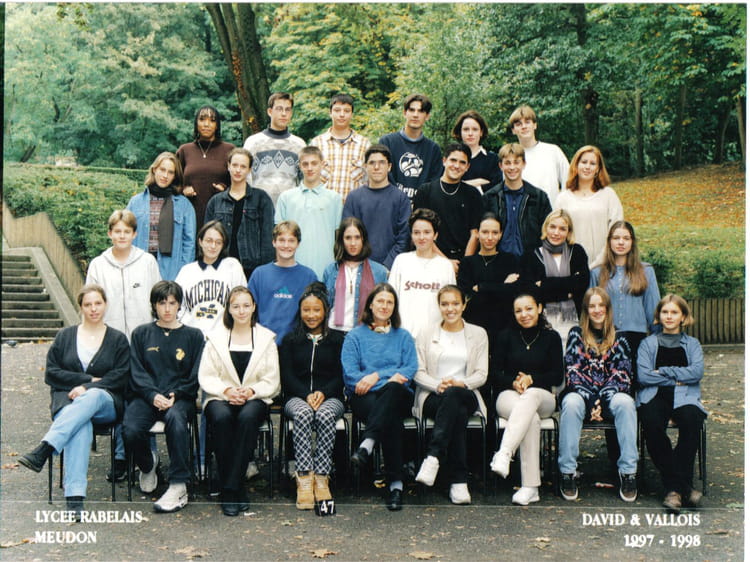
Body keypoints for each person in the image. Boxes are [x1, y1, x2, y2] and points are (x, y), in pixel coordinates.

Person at [18, 284, 129, 519]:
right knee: (81, 425)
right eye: (88, 304)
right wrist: (86, 379)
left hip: (105, 403)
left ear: (105, 305)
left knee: (94, 395)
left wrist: (87, 388)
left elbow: (120, 376)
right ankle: (75, 498)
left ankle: (46, 447)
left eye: (98, 303)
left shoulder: (118, 339)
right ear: (80, 307)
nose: (93, 309)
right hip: (68, 404)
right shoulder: (65, 336)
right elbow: (51, 373)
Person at [86, 209, 161, 482]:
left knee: (143, 395)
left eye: (126, 232)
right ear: (110, 233)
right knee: (118, 395)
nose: (121, 236)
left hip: (143, 341)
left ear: (134, 234)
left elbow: (157, 299)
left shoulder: (147, 261)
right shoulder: (98, 264)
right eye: (117, 231)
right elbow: (90, 302)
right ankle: (120, 457)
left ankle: (148, 457)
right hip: (112, 342)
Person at [123, 281, 204, 513]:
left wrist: (177, 394)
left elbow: (196, 374)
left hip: (180, 398)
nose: (167, 309)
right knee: (130, 429)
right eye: (162, 303)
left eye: (172, 303)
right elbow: (136, 372)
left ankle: (178, 484)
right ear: (154, 305)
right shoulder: (141, 334)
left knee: (176, 421)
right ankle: (148, 465)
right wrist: (152, 395)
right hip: (147, 397)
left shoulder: (194, 336)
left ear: (179, 305)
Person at [198, 286, 280, 516]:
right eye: (236, 306)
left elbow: (272, 379)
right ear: (229, 309)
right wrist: (226, 390)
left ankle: (230, 488)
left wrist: (251, 391)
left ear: (254, 307)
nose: (241, 311)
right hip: (220, 396)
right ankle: (235, 487)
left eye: (246, 305)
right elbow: (206, 375)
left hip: (254, 397)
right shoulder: (215, 338)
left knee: (247, 417)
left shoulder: (266, 339)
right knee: (221, 417)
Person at [558, 287, 638, 503]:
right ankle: (567, 472)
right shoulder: (576, 335)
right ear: (586, 309)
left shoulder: (620, 338)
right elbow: (573, 372)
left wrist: (601, 401)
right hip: (582, 396)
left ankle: (628, 473)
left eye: (601, 305)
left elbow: (622, 375)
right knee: (571, 403)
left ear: (608, 308)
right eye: (592, 306)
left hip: (611, 397)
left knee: (626, 403)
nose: (597, 310)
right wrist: (592, 401)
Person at [343, 283, 418, 511]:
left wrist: (376, 376)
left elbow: (409, 369)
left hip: (398, 395)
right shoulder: (354, 336)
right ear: (370, 304)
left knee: (394, 391)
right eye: (380, 301)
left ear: (394, 307)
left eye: (390, 302)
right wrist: (386, 378)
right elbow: (350, 375)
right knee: (390, 415)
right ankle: (396, 486)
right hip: (364, 397)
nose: (384, 306)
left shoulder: (403, 336)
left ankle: (368, 443)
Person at [413, 285, 488, 505]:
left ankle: (433, 457)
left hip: (467, 391)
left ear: (464, 305)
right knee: (458, 411)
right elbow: (418, 372)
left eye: (455, 303)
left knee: (456, 396)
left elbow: (481, 374)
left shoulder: (478, 333)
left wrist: (460, 383)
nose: (450, 309)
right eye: (444, 304)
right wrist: (438, 385)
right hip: (433, 394)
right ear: (439, 306)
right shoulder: (426, 333)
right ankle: (459, 482)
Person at [489, 292, 563, 505]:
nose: (524, 314)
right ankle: (531, 487)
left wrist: (532, 379)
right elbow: (494, 374)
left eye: (529, 308)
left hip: (542, 397)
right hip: (510, 396)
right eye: (518, 311)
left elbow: (557, 375)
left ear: (539, 308)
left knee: (531, 395)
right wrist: (514, 382)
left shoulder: (552, 337)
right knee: (530, 419)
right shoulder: (505, 336)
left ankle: (505, 452)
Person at [637, 294, 706, 514]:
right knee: (651, 423)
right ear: (658, 316)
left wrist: (663, 371)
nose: (669, 316)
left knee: (692, 420)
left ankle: (674, 490)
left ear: (683, 317)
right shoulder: (648, 343)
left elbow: (696, 373)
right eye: (665, 312)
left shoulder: (692, 344)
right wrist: (676, 377)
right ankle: (682, 488)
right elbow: (644, 376)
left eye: (674, 312)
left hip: (685, 395)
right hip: (654, 394)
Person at [280, 282, 345, 510]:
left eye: (316, 310)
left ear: (325, 311)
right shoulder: (290, 340)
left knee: (326, 415)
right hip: (297, 397)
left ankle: (322, 477)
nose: (311, 315)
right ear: (300, 312)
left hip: (331, 397)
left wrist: (323, 393)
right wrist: (306, 394)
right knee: (303, 413)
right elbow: (287, 375)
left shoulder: (338, 340)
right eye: (306, 310)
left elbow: (341, 375)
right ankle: (304, 478)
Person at [591, 221, 660, 365]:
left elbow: (653, 309)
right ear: (609, 241)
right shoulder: (597, 273)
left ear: (632, 242)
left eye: (626, 238)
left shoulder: (646, 271)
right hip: (606, 339)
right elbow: (589, 310)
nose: (621, 242)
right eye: (616, 238)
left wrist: (657, 341)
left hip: (637, 339)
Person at [205, 147, 275, 279]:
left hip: (252, 269)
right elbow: (207, 239)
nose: (238, 170)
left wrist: (266, 271)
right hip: (221, 267)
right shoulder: (215, 202)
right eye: (235, 165)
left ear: (249, 170)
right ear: (228, 166)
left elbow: (268, 239)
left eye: (243, 166)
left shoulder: (261, 199)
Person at [413, 143, 484, 272]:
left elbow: (475, 234)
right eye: (453, 160)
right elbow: (421, 232)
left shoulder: (473, 194)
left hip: (464, 263)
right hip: (431, 260)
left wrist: (465, 265)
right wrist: (446, 263)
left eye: (462, 162)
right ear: (444, 161)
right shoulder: (425, 191)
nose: (456, 166)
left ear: (467, 167)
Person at [388, 208, 456, 341]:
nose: (421, 237)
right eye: (416, 232)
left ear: (435, 235)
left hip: (435, 339)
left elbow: (451, 305)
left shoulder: (445, 266)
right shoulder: (401, 261)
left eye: (427, 232)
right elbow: (391, 299)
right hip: (403, 338)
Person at [275, 146, 343, 278]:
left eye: (314, 163)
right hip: (293, 268)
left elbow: (338, 237)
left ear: (322, 165)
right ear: (300, 166)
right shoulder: (286, 197)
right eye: (305, 164)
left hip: (325, 268)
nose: (310, 168)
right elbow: (278, 238)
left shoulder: (334, 198)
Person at [126, 152, 196, 281]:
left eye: (170, 172)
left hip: (171, 271)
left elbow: (189, 243)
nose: (165, 176)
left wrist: (183, 272)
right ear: (154, 170)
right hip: (139, 268)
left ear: (175, 176)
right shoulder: (135, 202)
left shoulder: (184, 206)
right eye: (162, 170)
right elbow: (126, 235)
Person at [521, 209, 589, 341]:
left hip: (575, 322)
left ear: (569, 232)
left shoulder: (577, 252)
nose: (556, 233)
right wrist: (567, 293)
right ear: (545, 228)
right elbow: (531, 291)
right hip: (541, 323)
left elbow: (582, 283)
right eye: (552, 227)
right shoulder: (531, 255)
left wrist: (545, 283)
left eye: (562, 229)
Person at [248, 221, 318, 345]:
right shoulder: (259, 274)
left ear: (298, 244)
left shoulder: (309, 276)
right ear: (273, 242)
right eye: (281, 240)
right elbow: (249, 312)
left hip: (296, 346)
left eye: (291, 241)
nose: (286, 245)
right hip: (263, 344)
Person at [341, 145, 411, 269]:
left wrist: (386, 266)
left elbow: (404, 238)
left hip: (390, 268)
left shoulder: (401, 199)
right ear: (365, 166)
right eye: (372, 163)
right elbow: (347, 235)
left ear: (389, 167)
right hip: (359, 266)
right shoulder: (354, 198)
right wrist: (359, 264)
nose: (376, 167)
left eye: (382, 163)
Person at [554, 145, 624, 268]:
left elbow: (617, 229)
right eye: (584, 162)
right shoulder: (563, 198)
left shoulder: (608, 195)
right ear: (576, 165)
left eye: (592, 163)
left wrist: (601, 259)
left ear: (598, 169)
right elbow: (556, 233)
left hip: (605, 264)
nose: (587, 167)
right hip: (572, 266)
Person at [175, 220, 247, 335]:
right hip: (193, 337)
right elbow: (177, 305)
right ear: (200, 241)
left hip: (223, 336)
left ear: (223, 245)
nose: (213, 246)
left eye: (218, 242)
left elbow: (242, 302)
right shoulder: (186, 271)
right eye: (209, 241)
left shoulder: (232, 267)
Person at [458, 213, 520, 344]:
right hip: (473, 330)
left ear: (501, 234)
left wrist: (481, 287)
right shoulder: (467, 263)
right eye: (485, 232)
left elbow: (512, 293)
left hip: (503, 329)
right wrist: (502, 286)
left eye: (495, 232)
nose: (490, 237)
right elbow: (467, 299)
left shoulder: (509, 260)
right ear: (477, 233)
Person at [483, 143, 552, 259]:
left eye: (516, 162)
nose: (512, 167)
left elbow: (547, 232)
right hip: (498, 261)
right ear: (500, 166)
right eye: (507, 163)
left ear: (524, 164)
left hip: (530, 261)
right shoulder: (490, 197)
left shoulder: (539, 197)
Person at [322, 217, 388, 333]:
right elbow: (324, 305)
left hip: (365, 333)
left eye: (357, 237)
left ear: (363, 239)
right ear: (341, 240)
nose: (353, 243)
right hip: (333, 333)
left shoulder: (379, 271)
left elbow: (384, 307)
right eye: (348, 238)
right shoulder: (331, 270)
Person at [176, 105, 235, 232]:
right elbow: (173, 182)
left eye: (212, 120)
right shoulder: (185, 150)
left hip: (221, 214)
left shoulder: (229, 150)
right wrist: (183, 190)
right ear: (196, 123)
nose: (206, 124)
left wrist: (225, 190)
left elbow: (239, 182)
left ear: (217, 125)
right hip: (189, 215)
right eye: (202, 119)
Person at [242, 92, 306, 205]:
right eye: (279, 109)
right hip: (259, 207)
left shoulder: (299, 145)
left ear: (291, 113)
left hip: (289, 207)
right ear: (270, 111)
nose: (284, 113)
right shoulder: (253, 142)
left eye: (287, 110)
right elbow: (245, 177)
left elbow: (304, 180)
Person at [378, 94, 442, 202]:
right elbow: (382, 175)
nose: (415, 115)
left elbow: (434, 183)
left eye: (420, 111)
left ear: (427, 116)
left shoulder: (433, 149)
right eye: (412, 110)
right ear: (404, 113)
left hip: (420, 207)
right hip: (390, 203)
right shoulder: (387, 142)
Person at [310, 93, 372, 201]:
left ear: (352, 114)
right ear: (330, 113)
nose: (342, 114)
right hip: (322, 207)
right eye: (337, 110)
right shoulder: (316, 144)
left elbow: (370, 180)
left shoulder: (364, 145)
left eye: (346, 111)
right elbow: (308, 179)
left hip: (354, 208)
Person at [508, 104, 570, 206]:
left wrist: (562, 208)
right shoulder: (510, 158)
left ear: (535, 125)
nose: (524, 127)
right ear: (513, 130)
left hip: (552, 213)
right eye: (518, 124)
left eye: (527, 122)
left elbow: (568, 180)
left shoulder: (553, 151)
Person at [451, 110, 501, 193]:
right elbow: (447, 187)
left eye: (475, 129)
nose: (470, 133)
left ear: (481, 132)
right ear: (460, 132)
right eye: (466, 129)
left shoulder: (493, 160)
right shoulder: (451, 159)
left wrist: (460, 186)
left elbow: (497, 188)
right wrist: (479, 182)